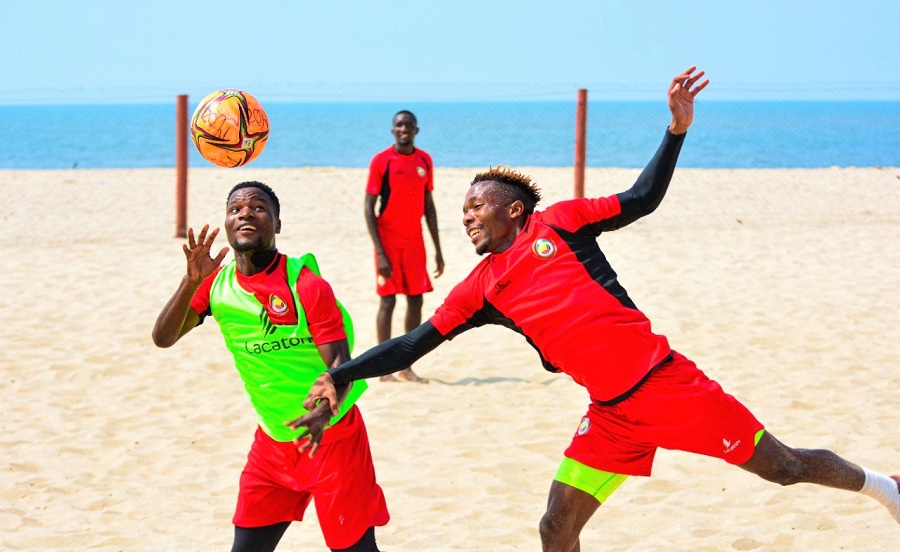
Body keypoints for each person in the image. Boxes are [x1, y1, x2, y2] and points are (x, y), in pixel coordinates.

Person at [299, 67, 900, 551]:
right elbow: (414, 344)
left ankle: (887, 489)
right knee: (555, 528)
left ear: (512, 210)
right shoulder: (478, 288)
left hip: (669, 386)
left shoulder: (559, 222)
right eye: (462, 211)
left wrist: (675, 130)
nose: (466, 216)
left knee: (785, 467)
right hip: (611, 416)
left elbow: (642, 198)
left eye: (476, 205)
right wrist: (340, 373)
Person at [152, 181, 389, 552]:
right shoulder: (215, 285)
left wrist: (324, 414)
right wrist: (190, 280)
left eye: (259, 208)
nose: (245, 213)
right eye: (235, 209)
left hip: (332, 439)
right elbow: (163, 338)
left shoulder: (306, 284)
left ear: (277, 224)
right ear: (227, 224)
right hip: (272, 443)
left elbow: (342, 365)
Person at [364, 109, 445, 383]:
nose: (404, 129)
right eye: (399, 125)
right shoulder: (381, 161)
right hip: (388, 241)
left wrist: (438, 249)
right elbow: (368, 208)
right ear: (392, 130)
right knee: (387, 301)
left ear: (416, 130)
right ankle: (382, 367)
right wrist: (380, 252)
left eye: (409, 125)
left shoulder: (425, 160)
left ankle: (406, 365)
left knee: (416, 300)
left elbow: (429, 206)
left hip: (415, 241)